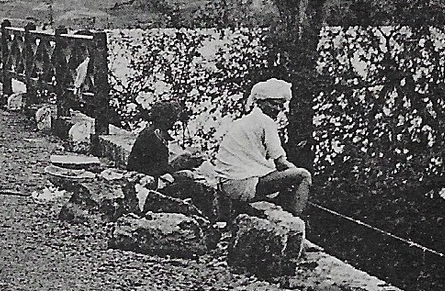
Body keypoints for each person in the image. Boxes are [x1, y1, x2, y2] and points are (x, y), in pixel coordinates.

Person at [212, 78, 312, 222]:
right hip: (242, 185)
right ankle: (293, 222)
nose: (278, 109)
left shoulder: (243, 121)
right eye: (274, 104)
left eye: (280, 105)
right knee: (303, 175)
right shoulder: (265, 121)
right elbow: (281, 163)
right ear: (261, 102)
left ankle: (282, 216)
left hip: (227, 185)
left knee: (285, 182)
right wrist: (298, 180)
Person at [126, 99, 216, 217]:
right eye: (172, 118)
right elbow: (160, 170)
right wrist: (183, 164)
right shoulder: (152, 137)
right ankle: (211, 219)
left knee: (189, 176)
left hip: (151, 181)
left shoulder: (153, 133)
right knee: (196, 187)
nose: (173, 122)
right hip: (149, 186)